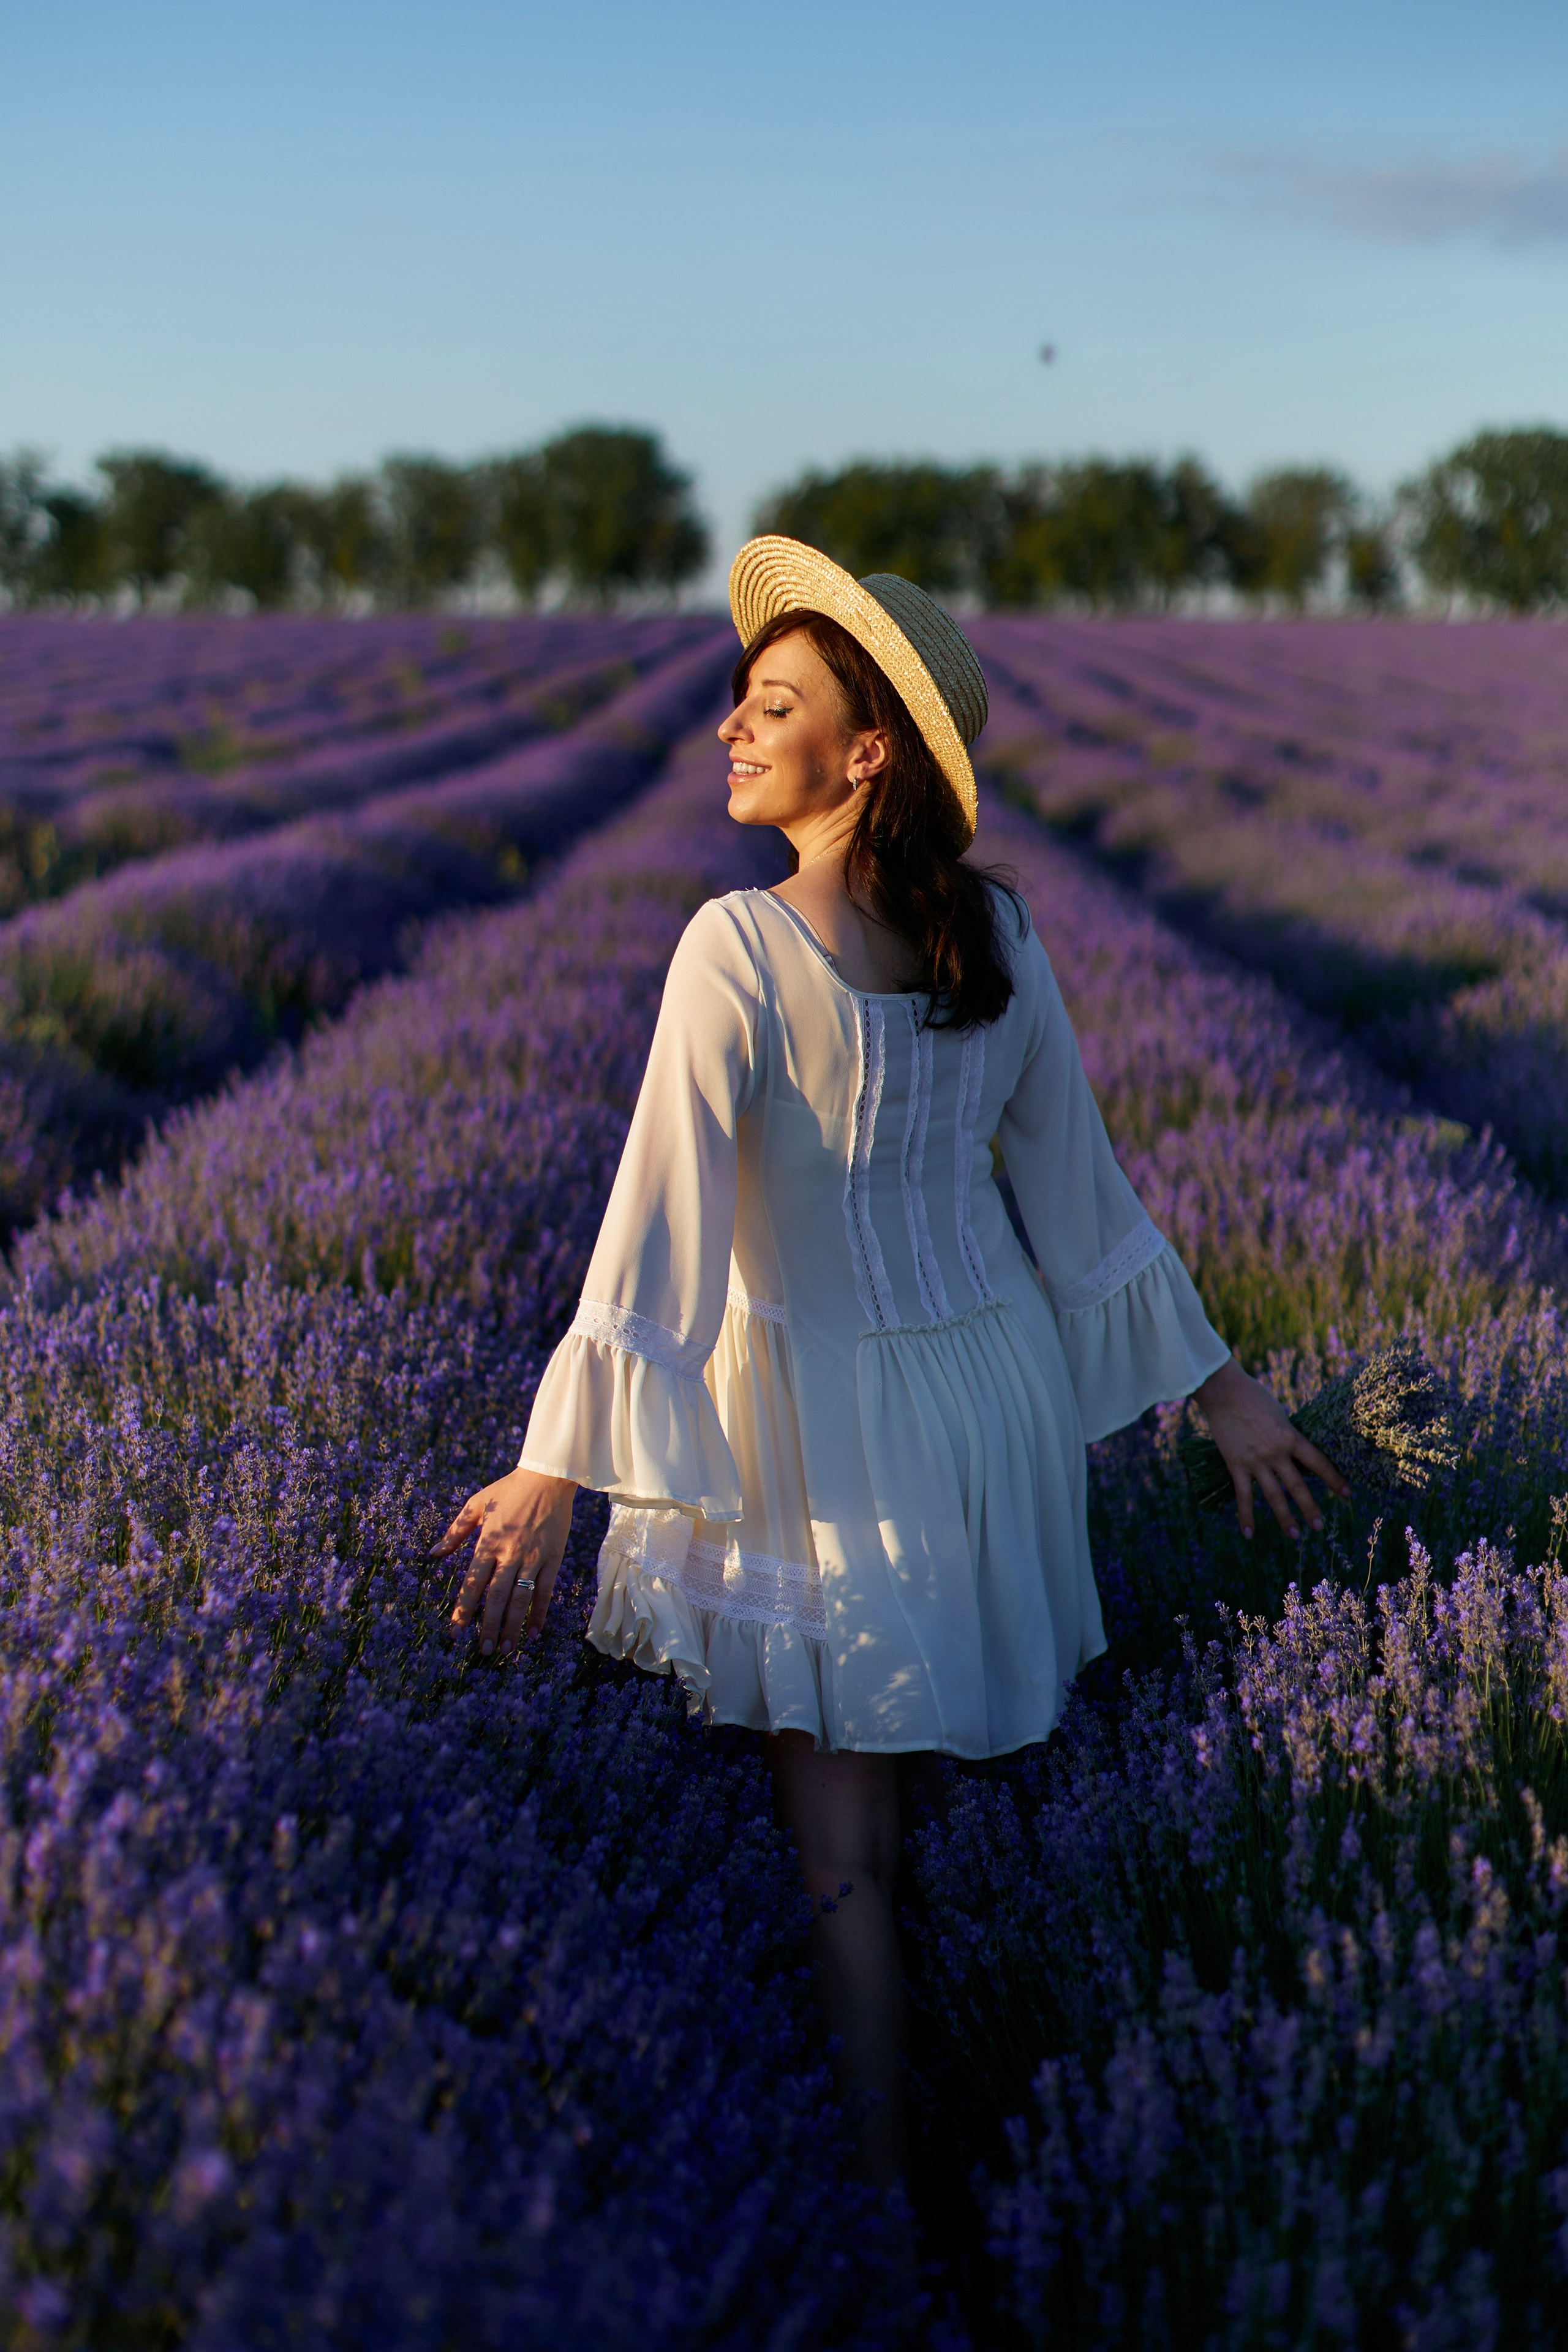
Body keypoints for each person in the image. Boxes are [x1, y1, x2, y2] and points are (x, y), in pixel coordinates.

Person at [432, 537, 1348, 2192]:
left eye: (773, 706)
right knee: (962, 1808)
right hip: (994, 1410)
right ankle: (1071, 2130)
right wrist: (1224, 1393)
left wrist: (559, 1466)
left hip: (823, 1433)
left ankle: (891, 2203)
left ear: (867, 753)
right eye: (741, 701)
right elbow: (1081, 1197)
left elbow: (657, 1222)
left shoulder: (738, 944)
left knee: (844, 1852)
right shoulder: (994, 934)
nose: (731, 728)